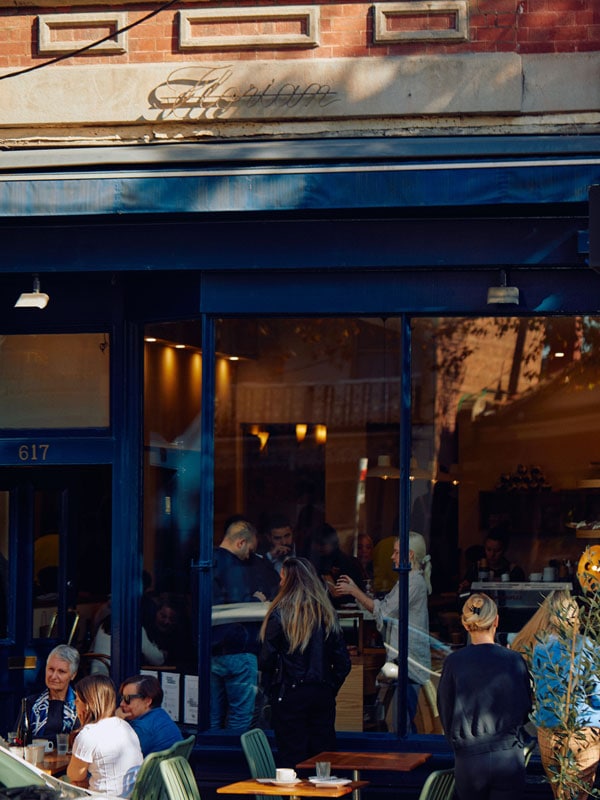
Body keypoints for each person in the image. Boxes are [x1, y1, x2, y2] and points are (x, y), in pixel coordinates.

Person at [437, 592, 532, 800]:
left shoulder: (454, 662)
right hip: (508, 756)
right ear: (496, 621)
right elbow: (526, 709)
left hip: (470, 760)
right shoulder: (514, 660)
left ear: (464, 623)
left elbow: (445, 712)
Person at [259, 557, 351, 766]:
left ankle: (295, 798)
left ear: (290, 581)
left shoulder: (280, 614)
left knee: (293, 761)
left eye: (283, 578)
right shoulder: (326, 614)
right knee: (323, 761)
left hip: (289, 693)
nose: (280, 583)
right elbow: (343, 663)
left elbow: (266, 660)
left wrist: (272, 689)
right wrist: (329, 686)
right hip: (321, 693)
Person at [335, 531, 433, 728]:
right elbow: (381, 608)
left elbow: (385, 611)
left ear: (410, 555)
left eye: (396, 552)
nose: (392, 556)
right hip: (402, 659)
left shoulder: (413, 582)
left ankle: (405, 756)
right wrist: (357, 591)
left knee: (400, 721)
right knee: (396, 718)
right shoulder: (407, 580)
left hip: (408, 661)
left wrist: (354, 591)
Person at [529, 590, 600, 800]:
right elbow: (596, 696)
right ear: (577, 615)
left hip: (550, 729)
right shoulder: (590, 647)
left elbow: (541, 691)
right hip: (584, 731)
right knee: (577, 795)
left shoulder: (541, 648)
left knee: (560, 794)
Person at [211, 519, 266, 731]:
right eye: (250, 551)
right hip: (238, 648)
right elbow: (238, 608)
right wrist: (257, 601)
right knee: (240, 719)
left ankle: (212, 762)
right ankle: (234, 762)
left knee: (212, 718)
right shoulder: (234, 567)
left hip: (212, 650)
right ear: (241, 542)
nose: (249, 557)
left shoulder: (207, 563)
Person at [67, 674, 143, 797]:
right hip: (132, 796)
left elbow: (74, 775)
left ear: (87, 705)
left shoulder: (88, 735)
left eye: (77, 700)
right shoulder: (125, 726)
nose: (74, 704)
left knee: (73, 783)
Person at [22, 644, 80, 744]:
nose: (53, 676)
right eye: (51, 669)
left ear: (73, 675)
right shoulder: (30, 703)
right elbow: (20, 739)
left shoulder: (80, 705)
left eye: (61, 671)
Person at [116, 674, 182, 757]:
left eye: (127, 699)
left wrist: (116, 722)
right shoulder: (161, 715)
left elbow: (114, 755)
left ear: (147, 701)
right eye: (122, 698)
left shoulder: (143, 728)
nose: (122, 704)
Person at [459, 526, 525, 592]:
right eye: (488, 549)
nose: (492, 554)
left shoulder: (514, 572)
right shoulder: (475, 568)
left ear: (505, 550)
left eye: (497, 550)